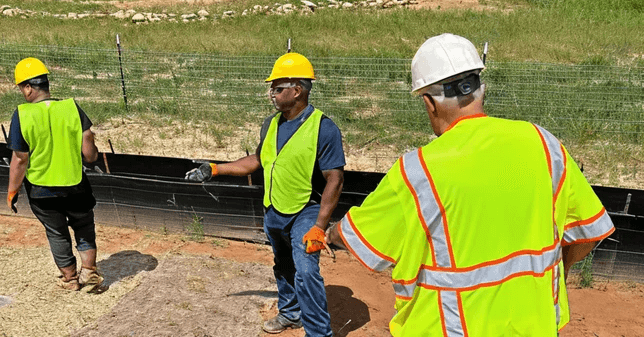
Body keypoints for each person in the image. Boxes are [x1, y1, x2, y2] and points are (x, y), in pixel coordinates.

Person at [326, 34, 615, 336]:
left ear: (429, 103)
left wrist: (330, 232)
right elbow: (587, 234)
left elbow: (361, 239)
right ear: (481, 89)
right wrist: (552, 277)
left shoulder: (418, 171)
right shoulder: (543, 144)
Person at [185, 52, 345, 336]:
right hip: (274, 208)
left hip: (306, 210)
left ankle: (320, 333)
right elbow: (257, 159)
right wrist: (215, 169)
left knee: (306, 271)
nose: (272, 93)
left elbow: (335, 179)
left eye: (277, 88)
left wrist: (320, 226)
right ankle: (291, 313)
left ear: (297, 90)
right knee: (283, 265)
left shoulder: (324, 128)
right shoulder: (270, 123)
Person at [6, 57, 105, 294]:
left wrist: (12, 191)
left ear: (28, 88)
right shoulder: (71, 107)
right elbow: (88, 144)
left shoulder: (22, 115)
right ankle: (89, 271)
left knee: (57, 232)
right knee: (84, 226)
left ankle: (70, 279)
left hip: (41, 189)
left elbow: (20, 159)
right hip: (76, 184)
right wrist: (91, 156)